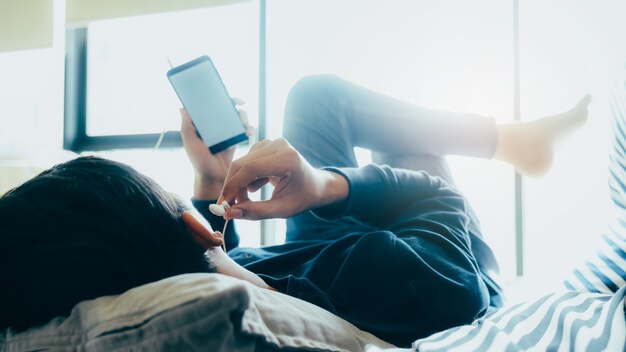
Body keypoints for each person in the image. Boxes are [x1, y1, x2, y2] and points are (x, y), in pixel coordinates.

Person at [0, 75, 590, 347]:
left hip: (301, 268)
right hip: (444, 265)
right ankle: (515, 143)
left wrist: (209, 174)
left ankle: (513, 142)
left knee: (311, 100)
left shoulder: (182, 273)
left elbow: (189, 257)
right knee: (392, 141)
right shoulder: (382, 269)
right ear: (189, 222)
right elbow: (437, 201)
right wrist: (327, 187)